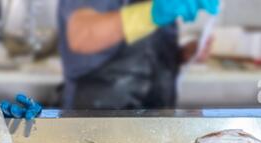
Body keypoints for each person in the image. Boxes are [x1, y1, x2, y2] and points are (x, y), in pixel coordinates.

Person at [58, 0, 219, 110]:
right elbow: (82, 36)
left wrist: (184, 54)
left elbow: (144, 52)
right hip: (99, 122)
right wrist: (154, 12)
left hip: (156, 119)